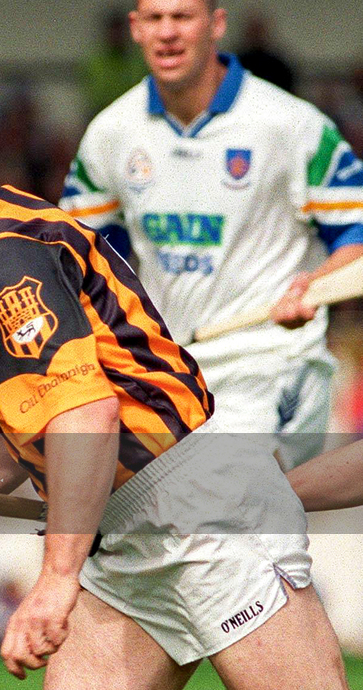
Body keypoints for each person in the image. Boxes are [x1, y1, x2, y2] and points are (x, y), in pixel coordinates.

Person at [0, 75, 363, 690]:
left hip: (203, 518)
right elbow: (21, 420)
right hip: (123, 533)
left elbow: (84, 416)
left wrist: (55, 580)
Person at [59, 0, 363, 469]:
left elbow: (356, 238)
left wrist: (314, 287)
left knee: (227, 492)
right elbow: (84, 260)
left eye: (182, 17)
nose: (168, 32)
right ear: (136, 28)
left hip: (273, 365)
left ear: (216, 24)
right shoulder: (110, 132)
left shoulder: (294, 125)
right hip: (170, 374)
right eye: (155, 18)